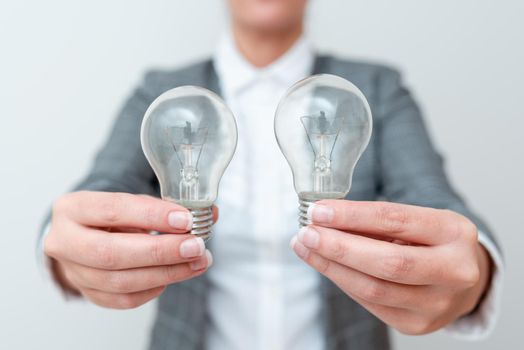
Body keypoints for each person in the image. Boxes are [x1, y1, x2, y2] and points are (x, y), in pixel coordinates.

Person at [39, 1, 503, 349]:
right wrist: (71, 254)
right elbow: (97, 194)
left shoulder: (377, 89)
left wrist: (474, 273)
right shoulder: (161, 93)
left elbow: (433, 200)